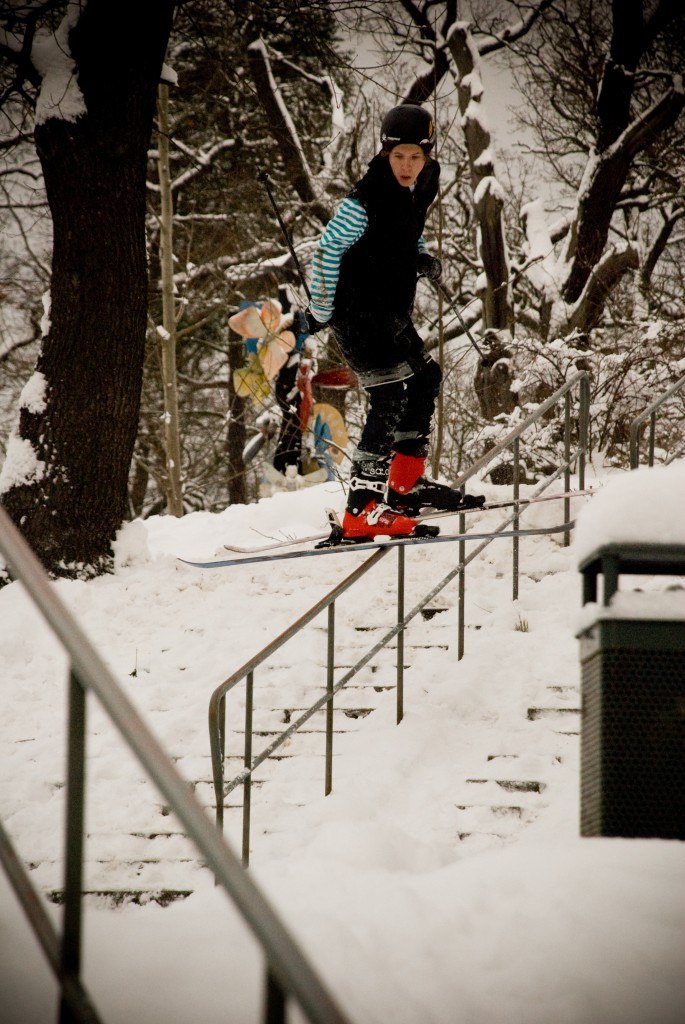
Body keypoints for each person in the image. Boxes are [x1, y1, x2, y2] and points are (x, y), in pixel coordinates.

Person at [306, 102, 483, 540]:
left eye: (415, 156)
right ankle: (362, 508)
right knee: (389, 397)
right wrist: (321, 311)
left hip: (390, 314)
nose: (406, 165)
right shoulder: (363, 201)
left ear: (426, 157)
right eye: (398, 156)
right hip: (357, 315)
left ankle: (404, 488)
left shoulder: (416, 188)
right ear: (385, 154)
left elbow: (407, 230)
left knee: (426, 378)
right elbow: (326, 251)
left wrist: (420, 256)